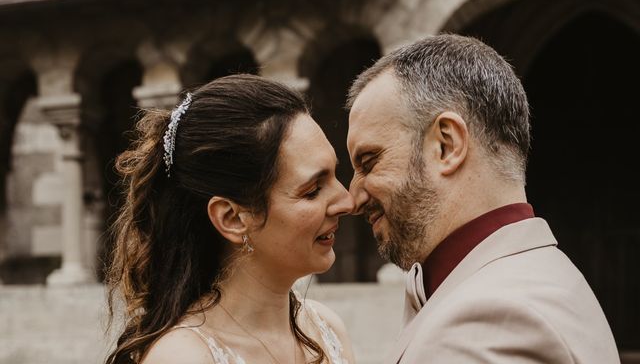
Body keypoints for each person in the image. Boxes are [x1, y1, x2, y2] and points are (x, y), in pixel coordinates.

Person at [346, 34, 620, 363]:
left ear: (446, 145)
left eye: (369, 162)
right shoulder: (541, 273)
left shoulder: (488, 323)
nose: (353, 198)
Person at [105, 74, 355, 364]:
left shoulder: (327, 329)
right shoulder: (184, 357)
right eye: (312, 191)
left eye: (336, 176)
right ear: (232, 218)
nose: (347, 201)